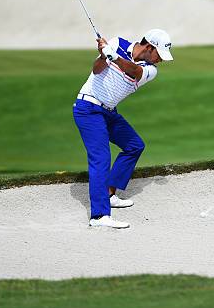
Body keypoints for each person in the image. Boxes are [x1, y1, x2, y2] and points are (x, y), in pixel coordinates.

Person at [73, 29, 173, 229]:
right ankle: (99, 216)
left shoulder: (150, 70)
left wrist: (114, 57)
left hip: (108, 112)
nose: (160, 60)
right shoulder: (117, 43)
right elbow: (96, 69)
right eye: (159, 55)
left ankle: (108, 193)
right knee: (101, 158)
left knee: (134, 145)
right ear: (149, 47)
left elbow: (134, 72)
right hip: (88, 109)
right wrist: (104, 55)